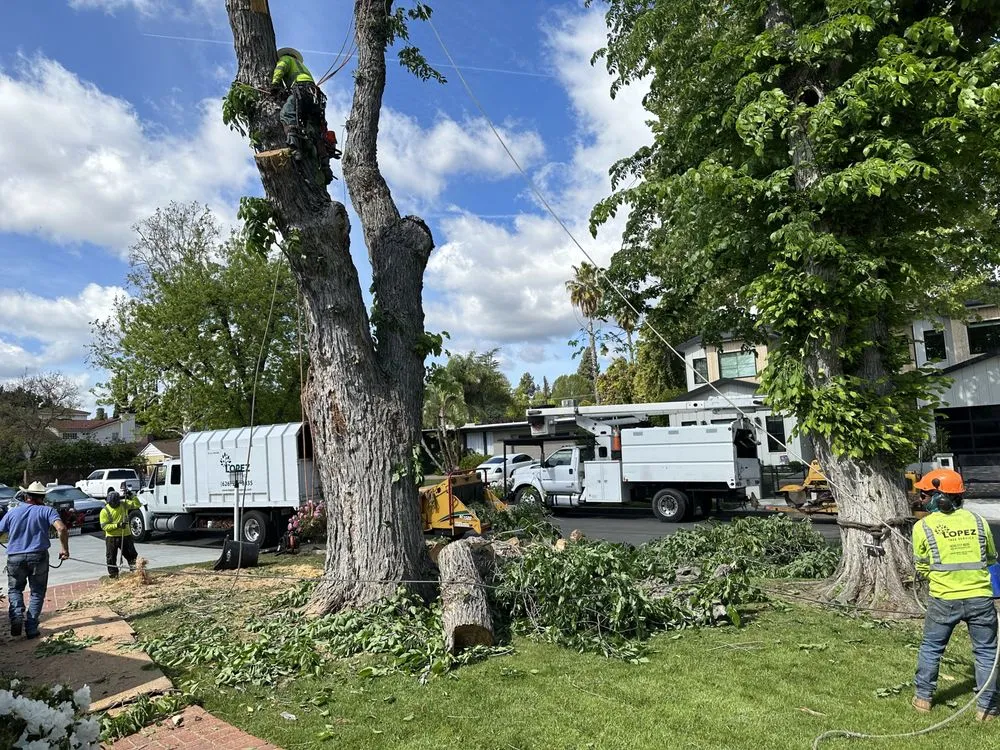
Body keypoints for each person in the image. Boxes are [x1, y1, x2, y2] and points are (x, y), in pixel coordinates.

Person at [912, 470, 999, 721]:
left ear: (941, 497)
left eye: (926, 493)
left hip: (944, 598)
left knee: (931, 648)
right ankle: (987, 710)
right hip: (981, 598)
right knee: (985, 653)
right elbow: (991, 558)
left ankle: (922, 699)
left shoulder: (923, 527)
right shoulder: (978, 521)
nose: (922, 498)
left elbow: (922, 566)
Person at [0, 481, 70, 639]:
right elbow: (61, 528)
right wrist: (64, 549)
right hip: (38, 556)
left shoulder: (12, 512)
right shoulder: (47, 511)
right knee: (37, 592)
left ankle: (17, 615)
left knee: (15, 589)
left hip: (14, 557)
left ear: (26, 496)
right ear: (42, 497)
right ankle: (31, 628)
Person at [270, 46, 337, 183]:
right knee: (315, 130)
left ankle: (295, 149)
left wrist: (275, 84)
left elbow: (280, 68)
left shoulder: (285, 59)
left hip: (301, 91)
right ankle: (325, 166)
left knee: (287, 114)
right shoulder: (302, 67)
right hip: (314, 96)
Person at [100, 484, 141, 578]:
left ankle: (136, 572)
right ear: (108, 501)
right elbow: (104, 526)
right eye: (112, 503)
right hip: (111, 537)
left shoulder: (123, 504)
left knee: (132, 555)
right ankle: (114, 575)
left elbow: (137, 504)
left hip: (125, 535)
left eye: (116, 502)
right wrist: (117, 525)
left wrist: (131, 495)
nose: (115, 504)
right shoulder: (104, 511)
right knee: (111, 557)